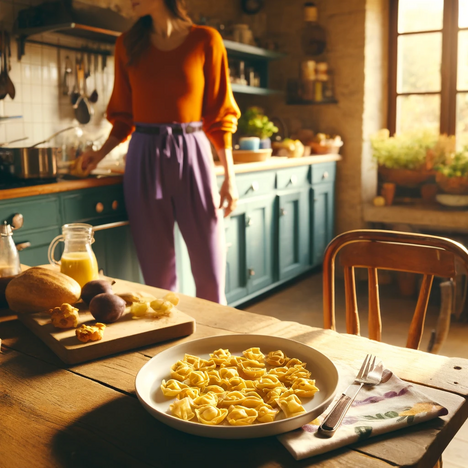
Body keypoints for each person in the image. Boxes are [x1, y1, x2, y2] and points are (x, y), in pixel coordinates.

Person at [81, 0, 240, 305]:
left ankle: (219, 340)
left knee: (211, 266)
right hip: (144, 155)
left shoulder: (205, 39)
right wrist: (98, 155)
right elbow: (124, 116)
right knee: (157, 271)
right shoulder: (127, 44)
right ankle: (168, 336)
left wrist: (230, 177)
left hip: (193, 152)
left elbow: (220, 115)